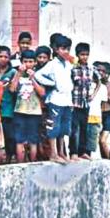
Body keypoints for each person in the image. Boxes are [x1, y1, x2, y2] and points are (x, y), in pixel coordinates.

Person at [35, 35, 74, 163]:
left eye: (68, 49)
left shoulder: (68, 64)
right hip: (55, 99)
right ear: (56, 49)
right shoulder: (52, 64)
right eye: (63, 49)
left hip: (66, 100)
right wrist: (51, 83)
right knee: (54, 127)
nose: (66, 52)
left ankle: (62, 152)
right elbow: (38, 75)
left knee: (63, 128)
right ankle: (53, 153)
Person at [9, 50, 46, 162]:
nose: (28, 64)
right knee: (19, 140)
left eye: (31, 62)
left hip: (35, 113)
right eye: (25, 62)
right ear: (21, 62)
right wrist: (18, 73)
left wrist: (33, 79)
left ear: (35, 63)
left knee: (33, 141)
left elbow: (42, 93)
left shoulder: (39, 75)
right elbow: (12, 89)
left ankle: (32, 163)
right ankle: (20, 164)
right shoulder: (17, 74)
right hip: (20, 111)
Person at [69, 42, 98, 160]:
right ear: (77, 55)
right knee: (74, 129)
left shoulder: (91, 69)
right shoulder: (72, 69)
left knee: (84, 128)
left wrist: (93, 95)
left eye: (86, 55)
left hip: (85, 104)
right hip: (74, 104)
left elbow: (99, 81)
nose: (84, 57)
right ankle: (73, 152)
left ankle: (83, 152)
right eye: (82, 54)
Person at [0, 46, 18, 163]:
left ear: (9, 58)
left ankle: (9, 159)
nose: (3, 59)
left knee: (9, 136)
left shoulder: (13, 72)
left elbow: (14, 90)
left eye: (6, 57)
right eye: (1, 56)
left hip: (8, 108)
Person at [86, 62, 109, 159]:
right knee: (82, 140)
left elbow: (103, 105)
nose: (99, 73)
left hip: (96, 117)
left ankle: (88, 157)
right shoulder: (86, 84)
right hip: (85, 116)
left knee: (91, 143)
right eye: (98, 70)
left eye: (102, 71)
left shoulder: (103, 88)